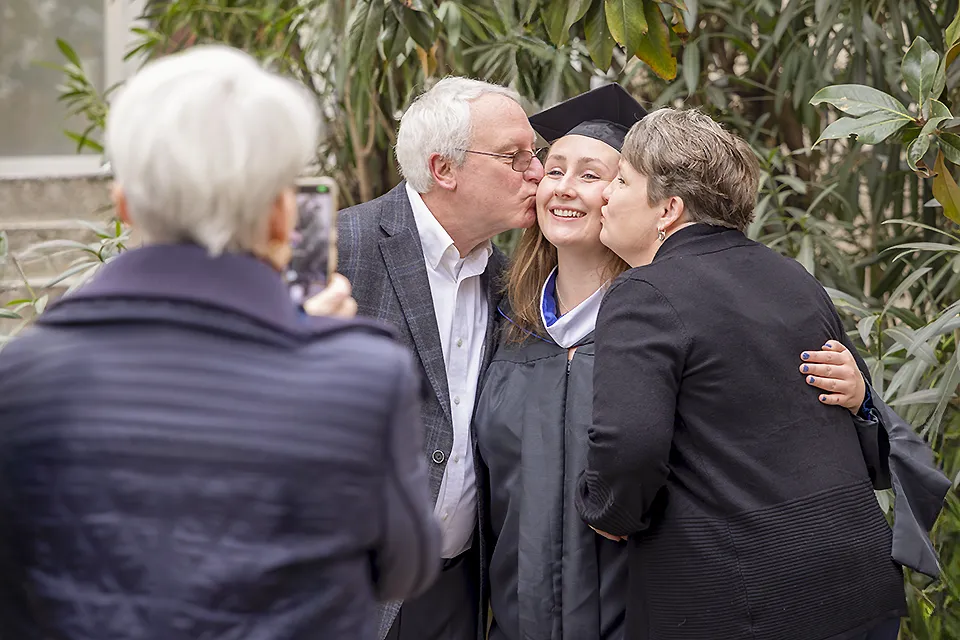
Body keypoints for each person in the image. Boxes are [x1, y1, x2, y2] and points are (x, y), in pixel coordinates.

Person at [0, 45, 440, 640]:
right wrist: (318, 342)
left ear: (123, 205)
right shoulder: (360, 374)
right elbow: (405, 569)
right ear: (283, 216)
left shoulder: (24, 373)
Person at [474, 86, 918, 640]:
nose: (569, 189)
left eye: (602, 178)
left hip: (676, 604)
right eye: (553, 170)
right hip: (534, 610)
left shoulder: (655, 302)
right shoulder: (498, 318)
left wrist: (861, 401)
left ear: (664, 206)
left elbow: (646, 446)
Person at [575, 108, 950, 640]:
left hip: (743, 601)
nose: (607, 195)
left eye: (623, 180)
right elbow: (854, 416)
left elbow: (630, 444)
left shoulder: (646, 294)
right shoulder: (793, 278)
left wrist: (605, 511)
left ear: (669, 210)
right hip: (856, 581)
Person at [336, 76, 544, 640]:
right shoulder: (342, 248)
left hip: (456, 589)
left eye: (535, 154)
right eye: (514, 157)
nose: (537, 172)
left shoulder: (508, 282)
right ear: (443, 169)